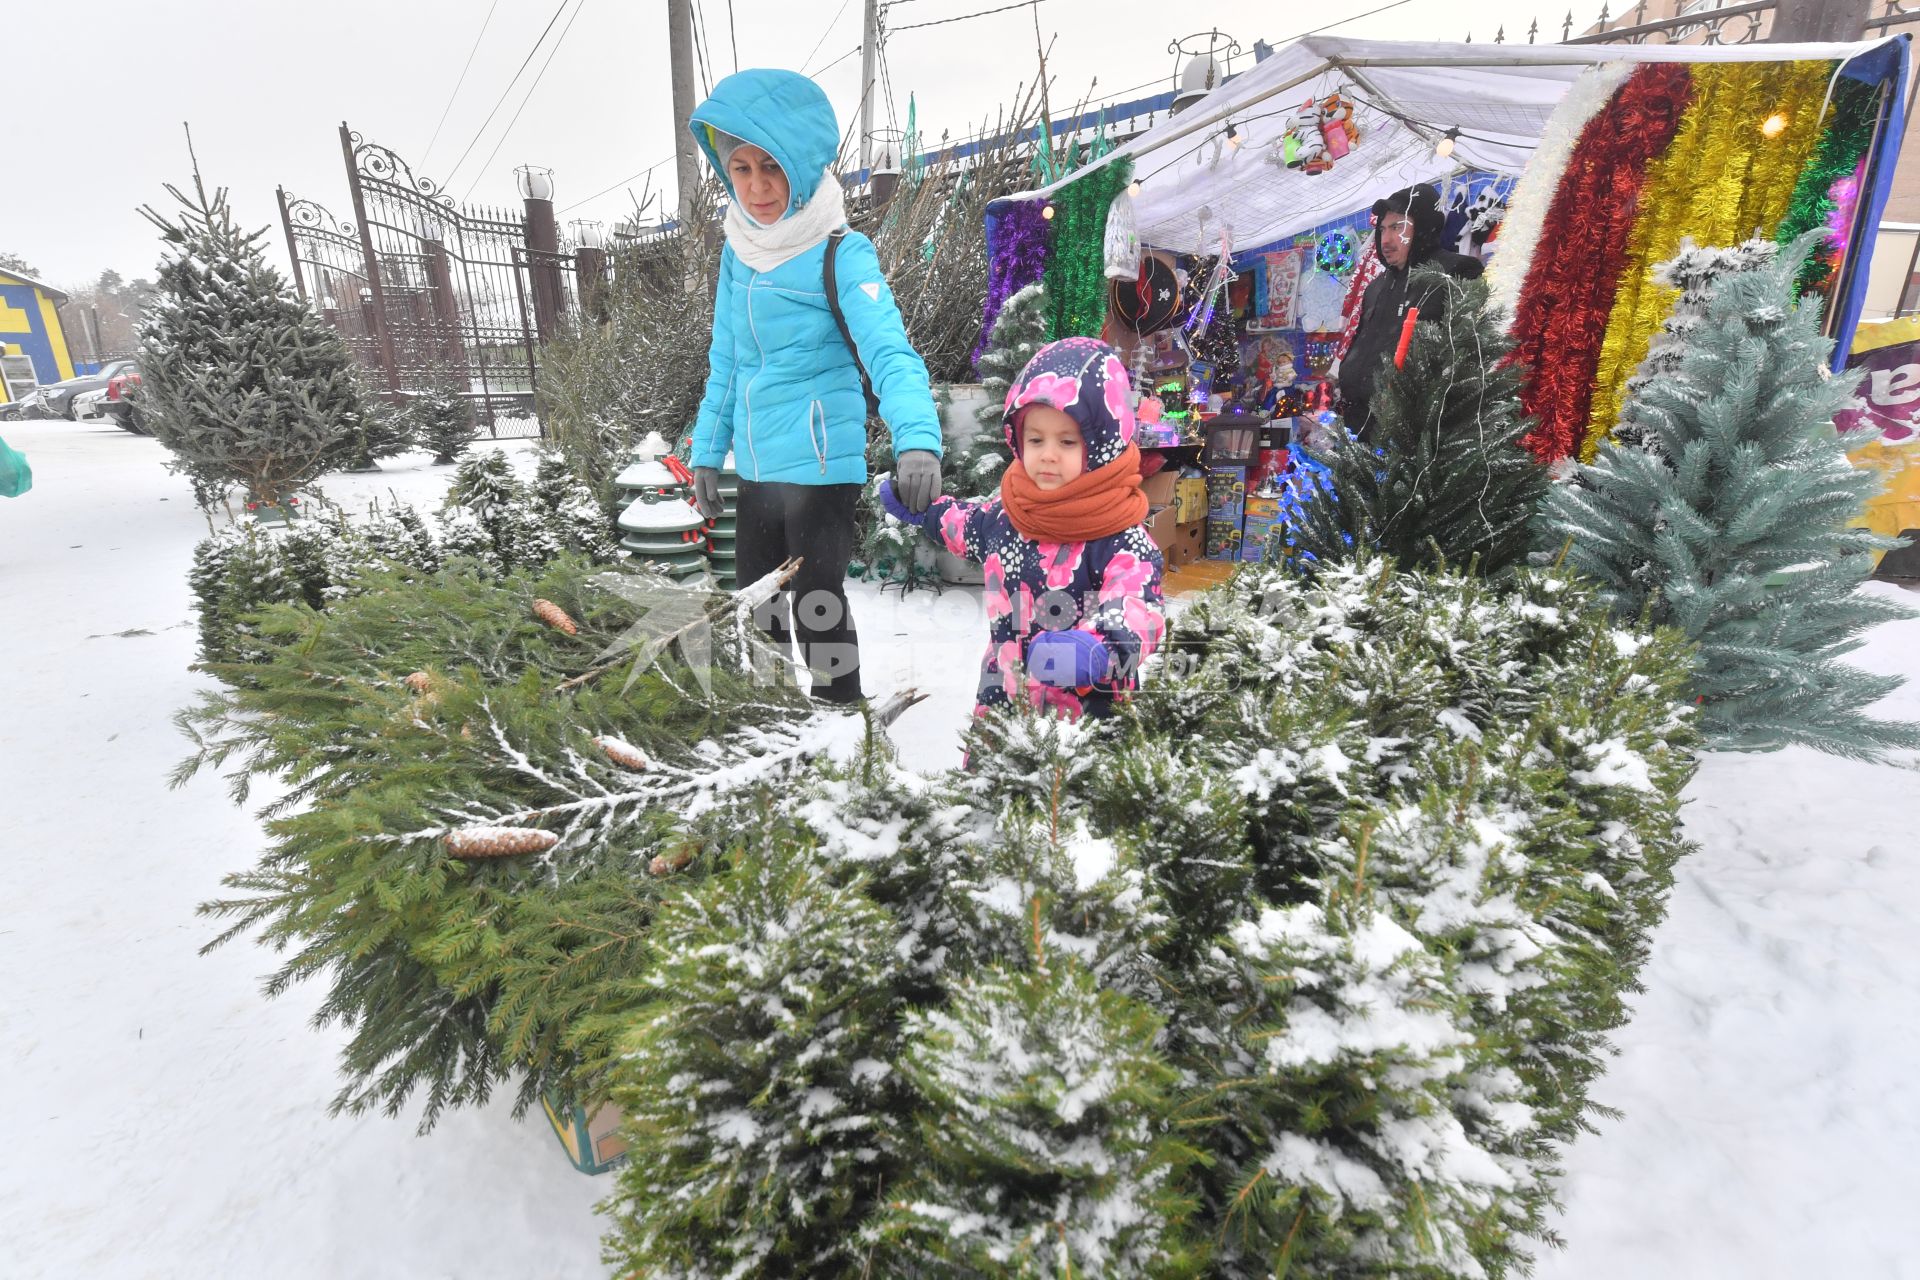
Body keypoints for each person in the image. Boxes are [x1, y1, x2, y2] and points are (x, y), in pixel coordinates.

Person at [685, 69, 943, 705]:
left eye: (771, 166)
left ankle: (839, 720)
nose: (757, 187)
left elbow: (888, 348)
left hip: (823, 463)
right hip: (760, 463)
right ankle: (770, 721)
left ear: (800, 164)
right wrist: (705, 452)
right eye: (740, 169)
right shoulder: (737, 250)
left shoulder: (841, 251)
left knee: (816, 605)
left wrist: (917, 437)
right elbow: (728, 361)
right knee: (758, 604)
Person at [879, 337, 1166, 721]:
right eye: (1036, 439)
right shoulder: (1009, 516)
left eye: (1067, 441)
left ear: (1102, 445)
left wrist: (1100, 646)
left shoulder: (1119, 539)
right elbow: (965, 525)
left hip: (1084, 724)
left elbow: (1138, 604)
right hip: (1002, 705)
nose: (1047, 454)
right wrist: (925, 510)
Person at [1336, 182, 1487, 440]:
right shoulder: (1376, 286)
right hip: (1357, 423)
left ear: (1424, 227)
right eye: (1382, 229)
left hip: (1416, 435)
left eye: (1398, 227)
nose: (1386, 239)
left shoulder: (1456, 272)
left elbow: (1468, 358)